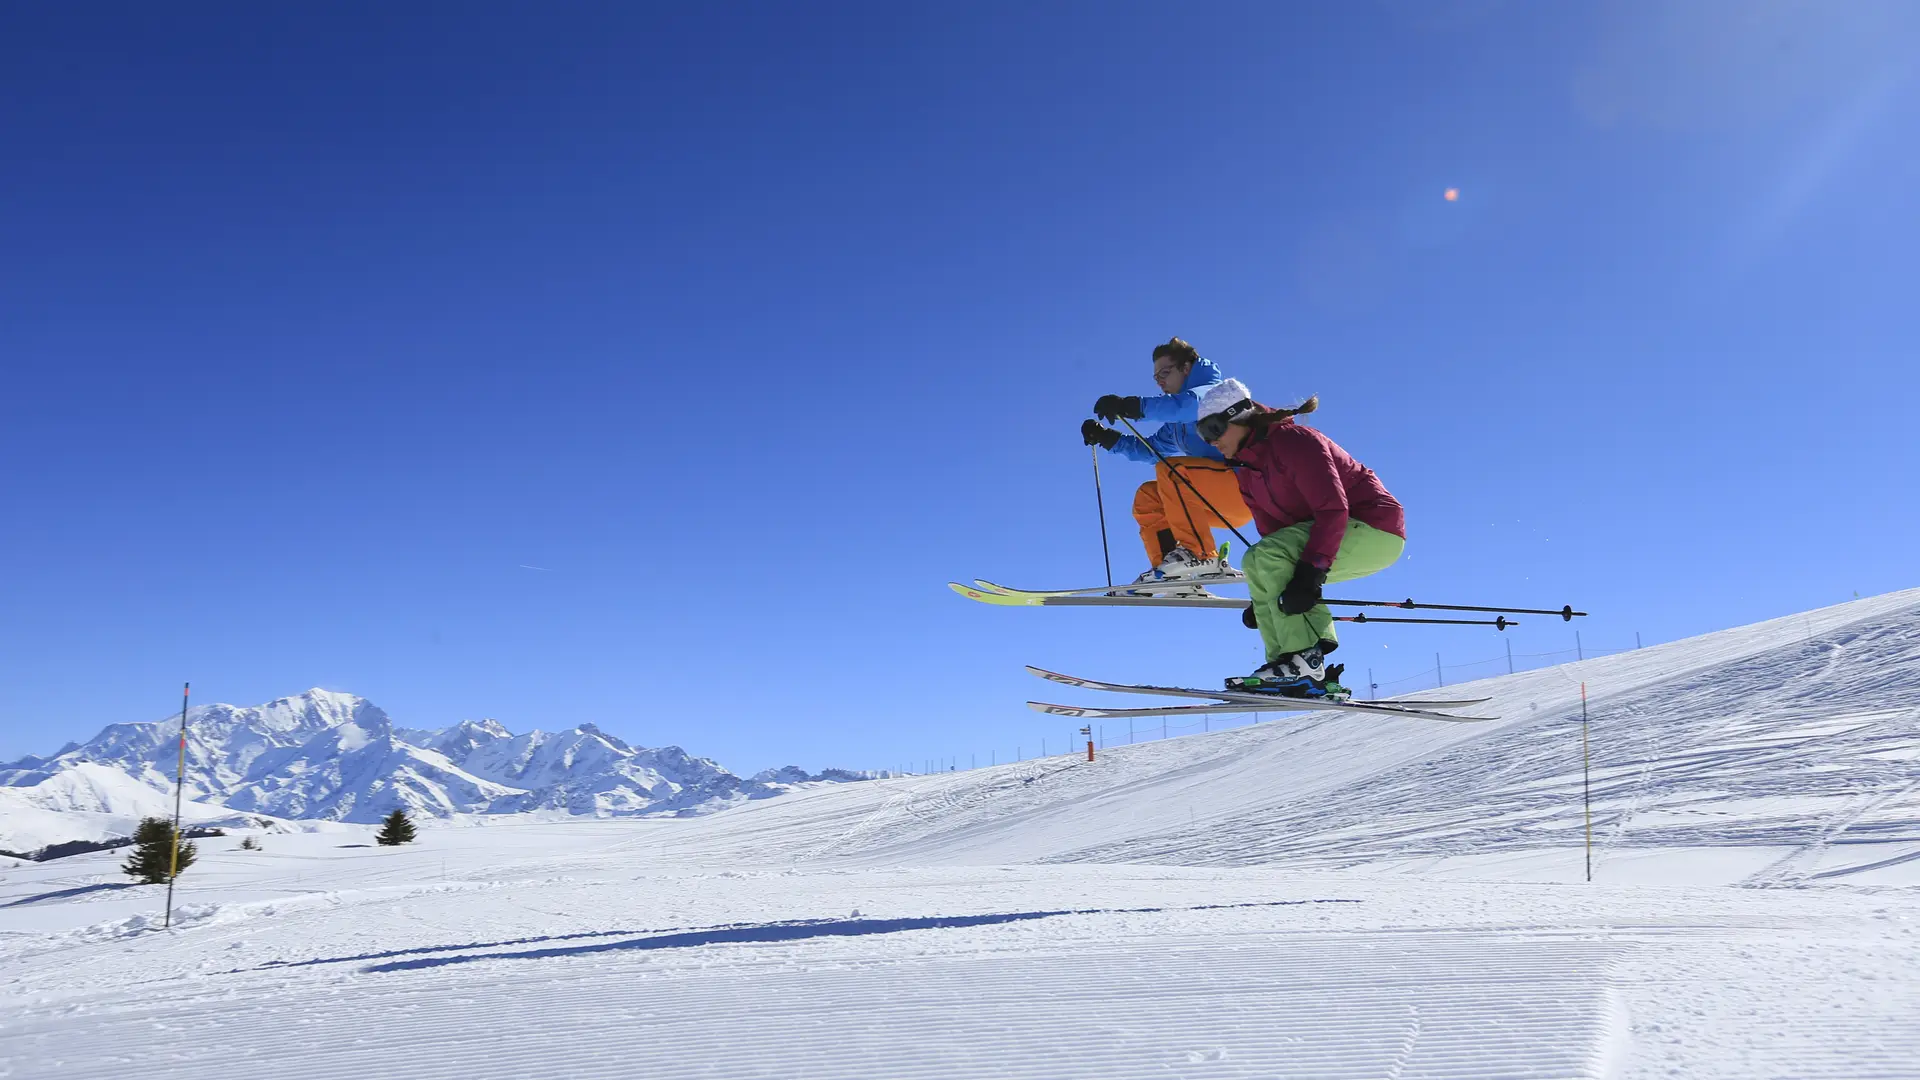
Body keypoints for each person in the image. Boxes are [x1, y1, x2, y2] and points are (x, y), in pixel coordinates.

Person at [1195, 378, 1406, 697]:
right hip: (1328, 536)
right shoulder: (1248, 471)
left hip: (1374, 526)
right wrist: (1266, 595)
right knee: (1255, 560)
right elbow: (1272, 540)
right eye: (1202, 434)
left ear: (1239, 416)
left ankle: (1304, 659)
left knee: (1266, 558)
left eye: (1213, 429)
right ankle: (1287, 666)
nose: (1210, 441)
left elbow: (1333, 508)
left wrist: (1311, 573)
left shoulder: (1295, 442)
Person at [1081, 338, 1255, 594]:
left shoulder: (1212, 394)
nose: (1160, 381)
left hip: (1243, 491)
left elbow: (1185, 406)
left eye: (1165, 372)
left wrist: (1131, 406)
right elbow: (1152, 451)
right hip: (1212, 502)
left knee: (1173, 471)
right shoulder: (1176, 428)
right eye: (1156, 377)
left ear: (1186, 368)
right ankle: (1176, 576)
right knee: (1148, 496)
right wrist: (1109, 439)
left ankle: (1201, 555)